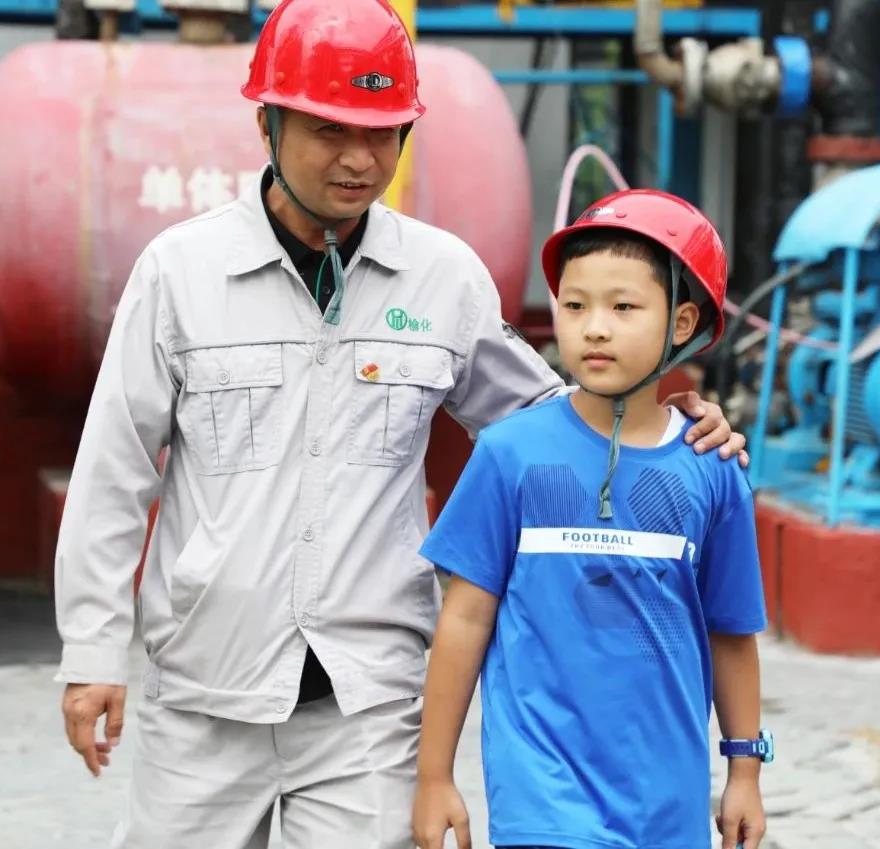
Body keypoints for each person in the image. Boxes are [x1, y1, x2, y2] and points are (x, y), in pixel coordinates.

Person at [54, 0, 747, 845]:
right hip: (204, 695)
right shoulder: (181, 273)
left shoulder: (441, 278)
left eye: (383, 133)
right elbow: (115, 468)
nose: (360, 159)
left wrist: (668, 421)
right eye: (330, 130)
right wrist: (92, 652)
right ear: (267, 123)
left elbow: (550, 418)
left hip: (369, 708)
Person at [413, 190, 771, 849]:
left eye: (623, 307)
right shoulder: (508, 453)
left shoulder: (713, 469)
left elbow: (730, 631)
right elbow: (464, 619)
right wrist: (434, 776)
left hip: (667, 806)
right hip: (541, 800)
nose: (594, 328)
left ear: (682, 322)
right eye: (575, 306)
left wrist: (744, 769)